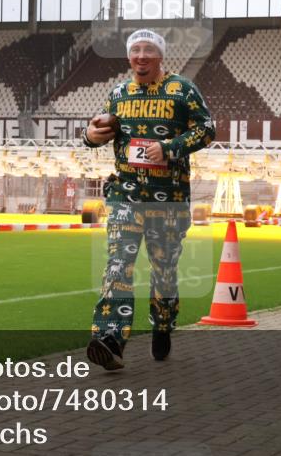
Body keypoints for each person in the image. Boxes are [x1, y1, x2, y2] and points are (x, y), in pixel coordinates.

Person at [82, 29, 215, 370]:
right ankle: (110, 338)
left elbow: (207, 128)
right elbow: (100, 131)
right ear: (129, 57)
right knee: (118, 266)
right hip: (125, 196)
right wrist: (89, 135)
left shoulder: (182, 89)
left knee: (164, 272)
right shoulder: (118, 93)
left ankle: (163, 322)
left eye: (149, 50)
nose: (141, 55)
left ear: (160, 56)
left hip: (168, 200)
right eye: (136, 50)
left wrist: (169, 148)